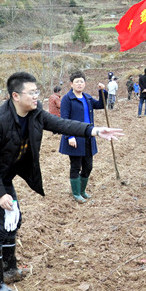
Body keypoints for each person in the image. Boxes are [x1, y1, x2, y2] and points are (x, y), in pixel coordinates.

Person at [0, 72, 122, 291]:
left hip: (4, 176)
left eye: (37, 92)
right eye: (32, 93)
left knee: (13, 220)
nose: (37, 97)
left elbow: (61, 123)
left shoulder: (34, 113)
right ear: (16, 96)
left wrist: (94, 130)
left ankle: (10, 270)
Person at [59, 71, 109, 203]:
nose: (79, 84)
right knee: (76, 166)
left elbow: (100, 105)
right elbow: (64, 119)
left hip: (88, 136)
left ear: (85, 83)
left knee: (88, 166)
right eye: (77, 82)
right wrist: (69, 136)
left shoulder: (87, 98)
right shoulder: (67, 99)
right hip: (75, 137)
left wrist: (102, 92)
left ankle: (82, 190)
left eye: (81, 81)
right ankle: (76, 193)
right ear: (71, 84)